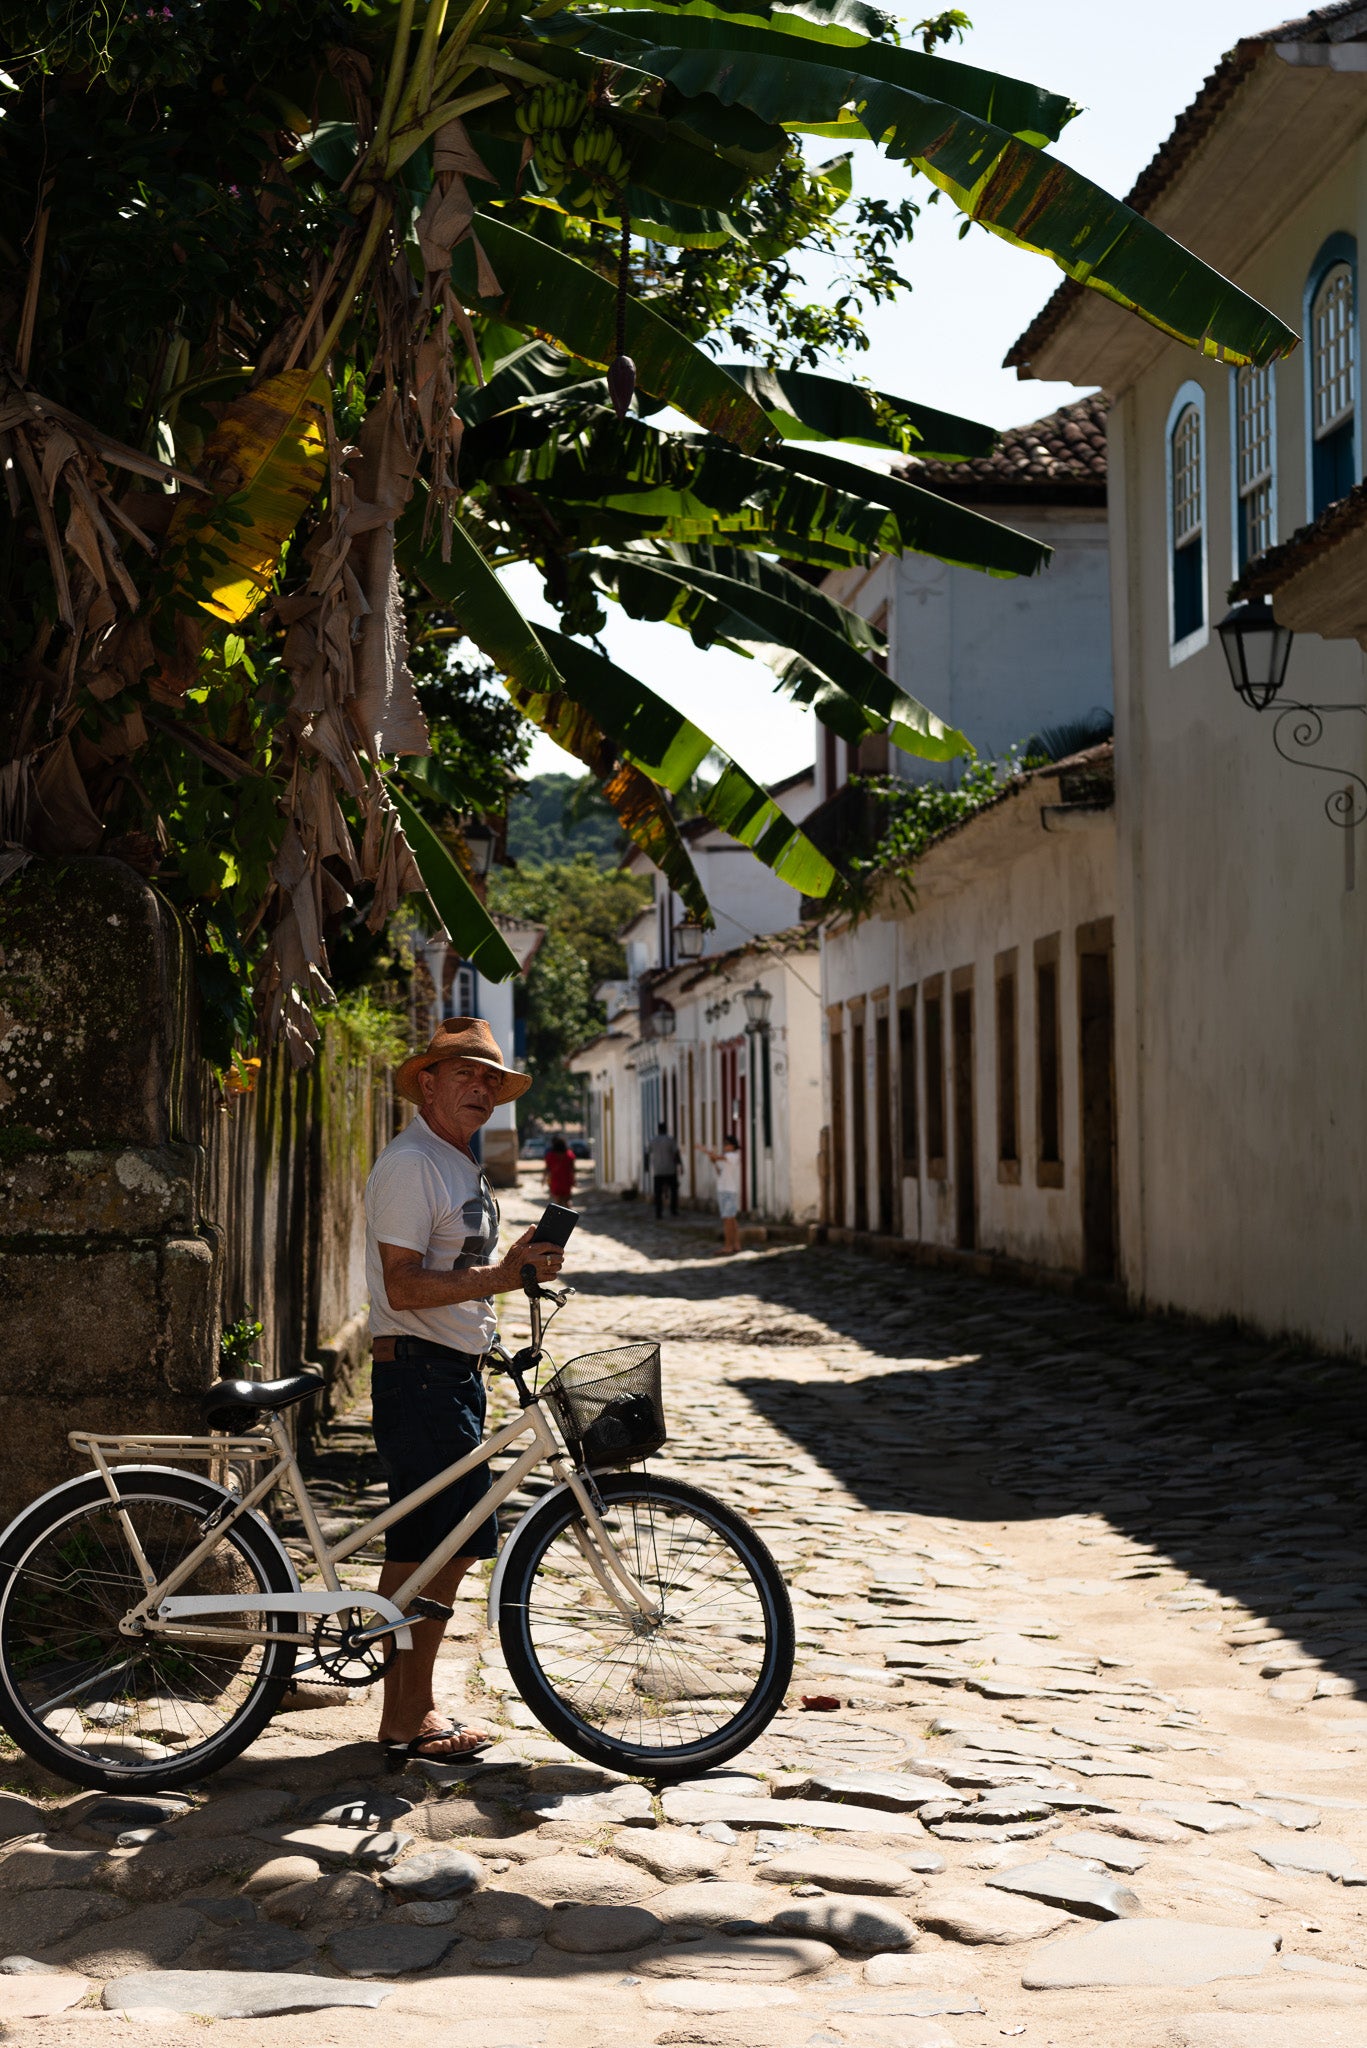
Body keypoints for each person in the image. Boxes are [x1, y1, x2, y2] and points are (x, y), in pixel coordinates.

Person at [364, 1016, 565, 1766]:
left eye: (490, 1079)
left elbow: (460, 1267)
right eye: (463, 1075)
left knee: (447, 1547)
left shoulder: (456, 1162)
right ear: (426, 1082)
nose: (480, 1089)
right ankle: (403, 1718)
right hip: (415, 1370)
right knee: (426, 1546)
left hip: (448, 1369)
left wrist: (513, 1263)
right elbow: (404, 1283)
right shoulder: (414, 1163)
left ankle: (411, 1707)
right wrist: (501, 1277)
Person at [701, 1133, 742, 1255]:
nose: (724, 1146)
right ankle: (736, 1244)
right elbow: (719, 1169)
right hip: (723, 1189)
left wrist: (705, 1150)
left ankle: (728, 1246)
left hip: (729, 1191)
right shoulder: (725, 1158)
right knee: (731, 1219)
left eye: (726, 1144)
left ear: (732, 1146)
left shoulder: (733, 1156)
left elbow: (718, 1157)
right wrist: (713, 1160)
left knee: (728, 1220)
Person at [647, 1120, 681, 1219]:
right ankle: (673, 1210)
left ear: (658, 1130)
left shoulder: (653, 1140)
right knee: (674, 1190)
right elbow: (676, 1153)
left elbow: (647, 1152)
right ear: (666, 1129)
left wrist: (646, 1167)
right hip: (670, 1169)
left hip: (658, 1170)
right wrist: (680, 1165)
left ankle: (658, 1212)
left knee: (658, 1192)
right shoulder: (670, 1140)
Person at [543, 1133, 576, 1204]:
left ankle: (559, 1214)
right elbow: (573, 1170)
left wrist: (544, 1179)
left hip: (555, 1181)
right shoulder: (569, 1155)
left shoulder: (550, 1156)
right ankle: (569, 1214)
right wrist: (574, 1180)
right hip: (567, 1180)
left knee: (558, 1202)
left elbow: (547, 1169)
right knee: (567, 1201)